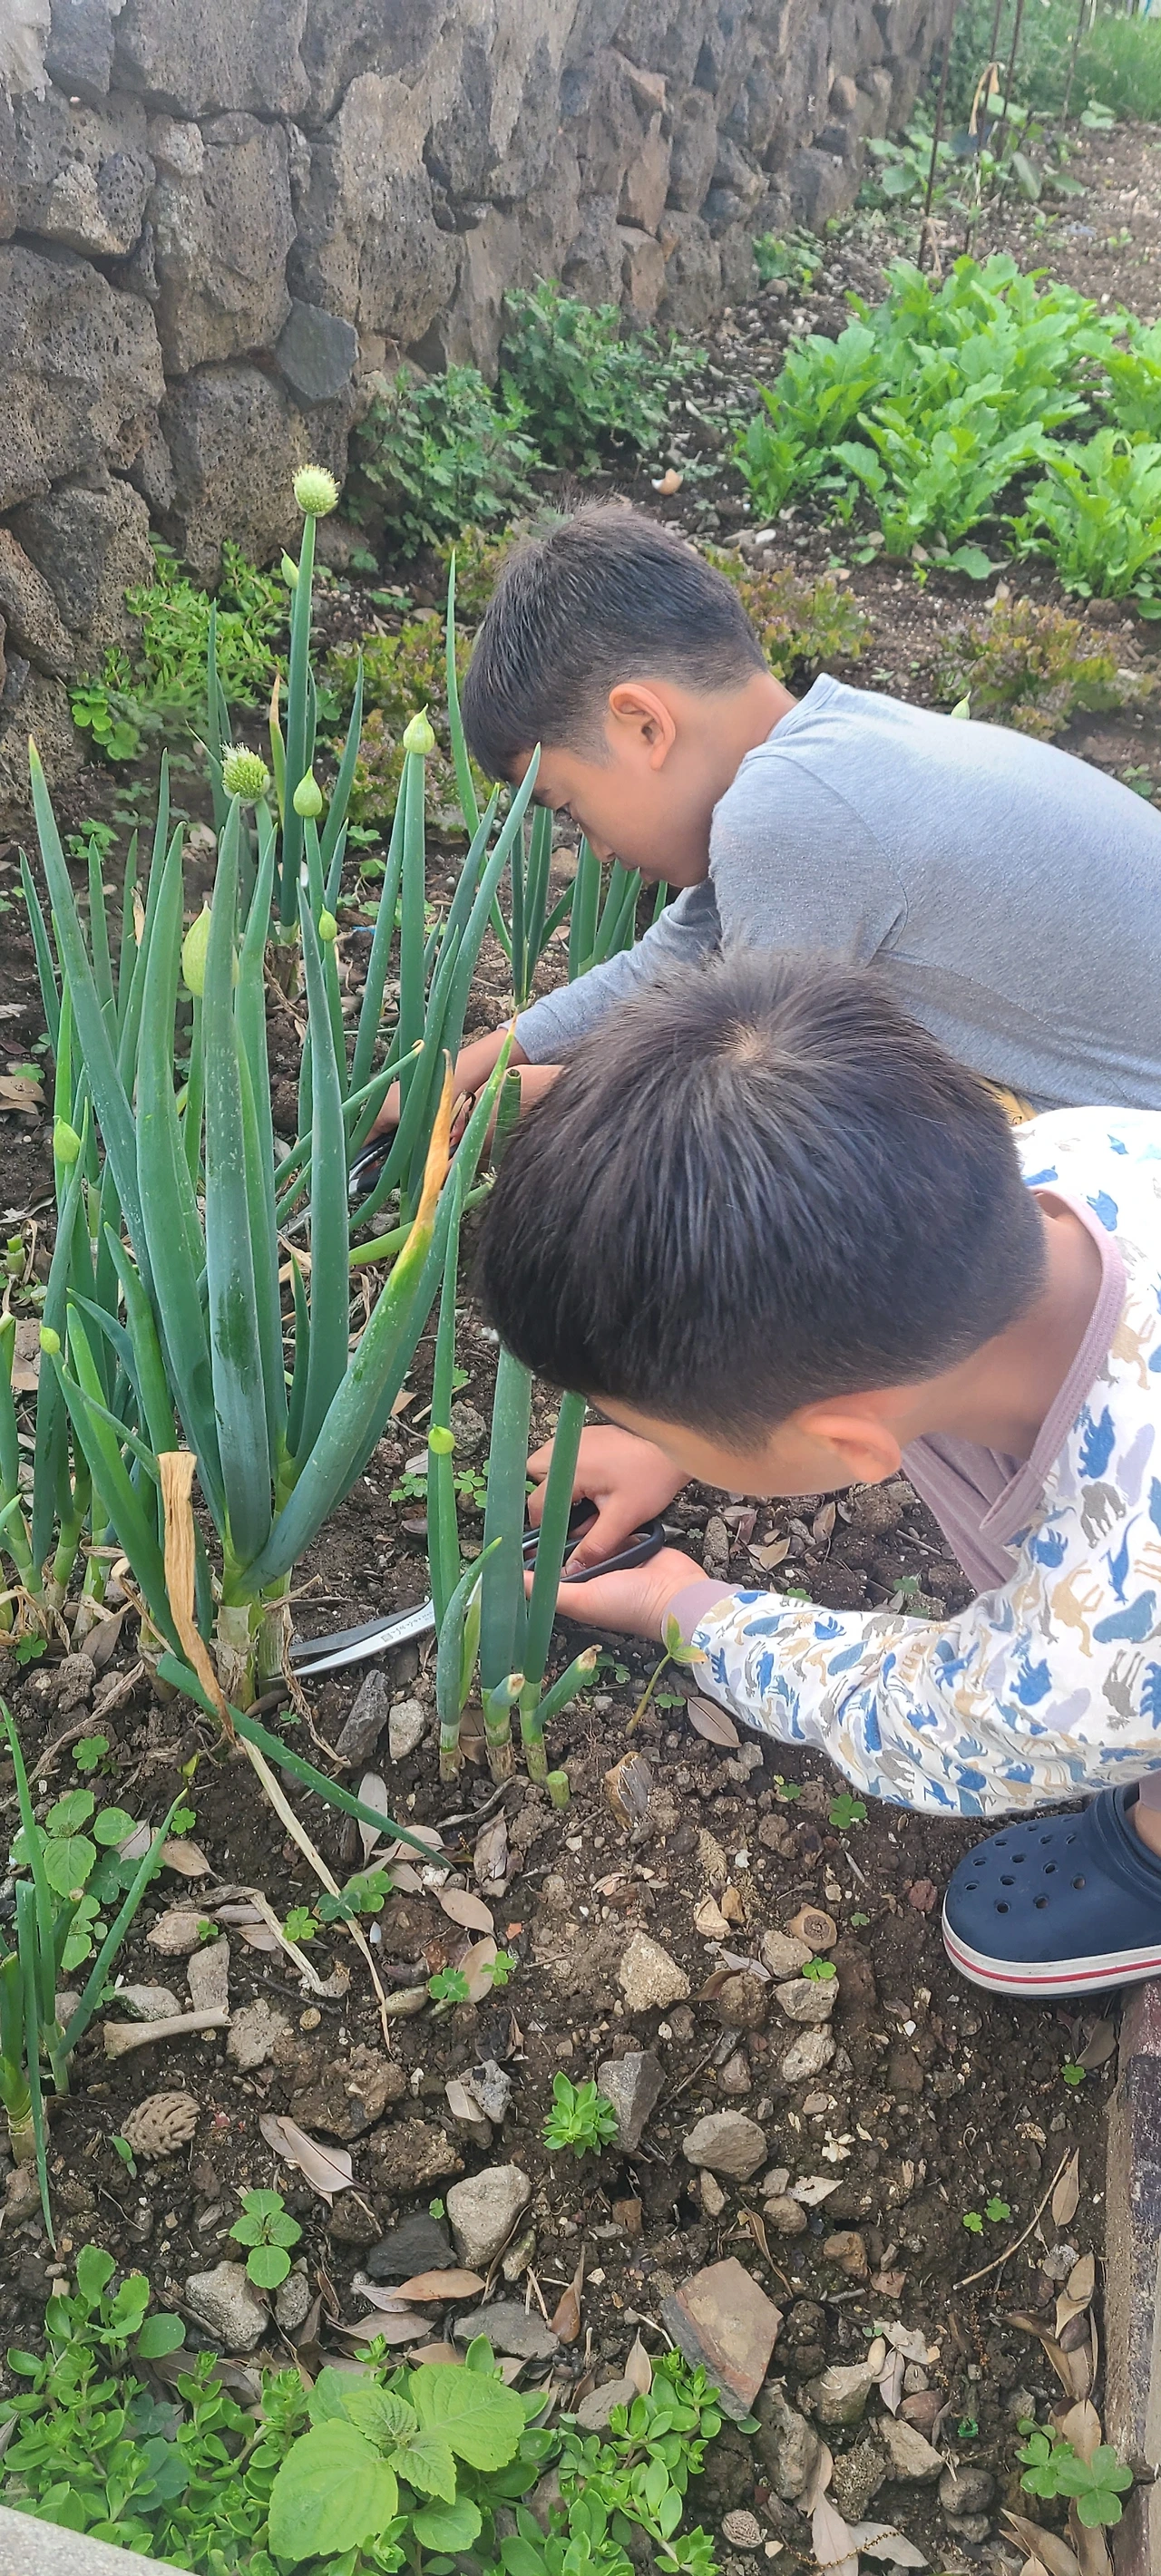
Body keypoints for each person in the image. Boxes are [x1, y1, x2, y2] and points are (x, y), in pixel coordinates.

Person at [475, 948, 1161, 2002]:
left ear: (846, 1444)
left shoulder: (1100, 1633)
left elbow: (920, 1715)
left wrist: (685, 1608)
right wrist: (686, 1433)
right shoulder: (1071, 1156)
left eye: (650, 1423)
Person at [372, 502, 1161, 1137]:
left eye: (572, 808)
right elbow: (664, 967)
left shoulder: (789, 816)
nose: (598, 851)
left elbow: (747, 1089)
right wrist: (467, 1068)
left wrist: (541, 1100)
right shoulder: (833, 749)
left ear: (644, 725)